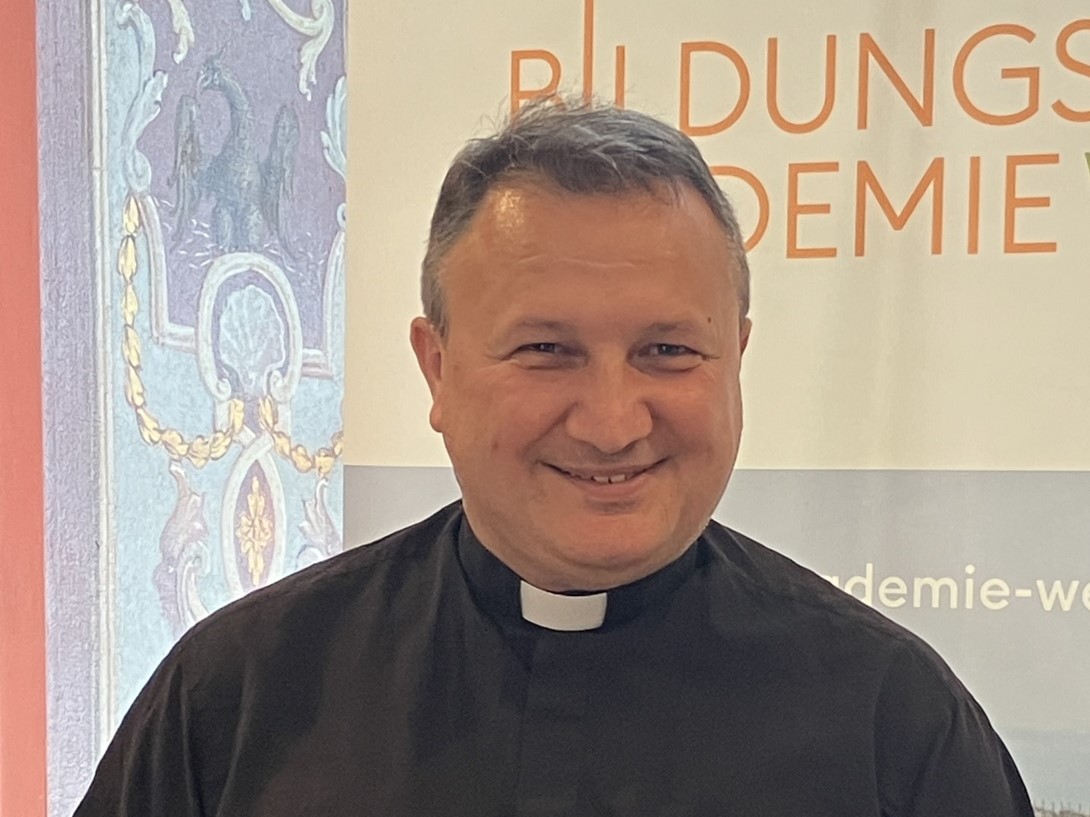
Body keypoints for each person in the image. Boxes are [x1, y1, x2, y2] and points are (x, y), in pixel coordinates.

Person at [75, 99, 1033, 816]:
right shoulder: (238, 696)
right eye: (546, 350)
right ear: (438, 368)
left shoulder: (895, 725)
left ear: (735, 359)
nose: (613, 422)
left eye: (668, 350)